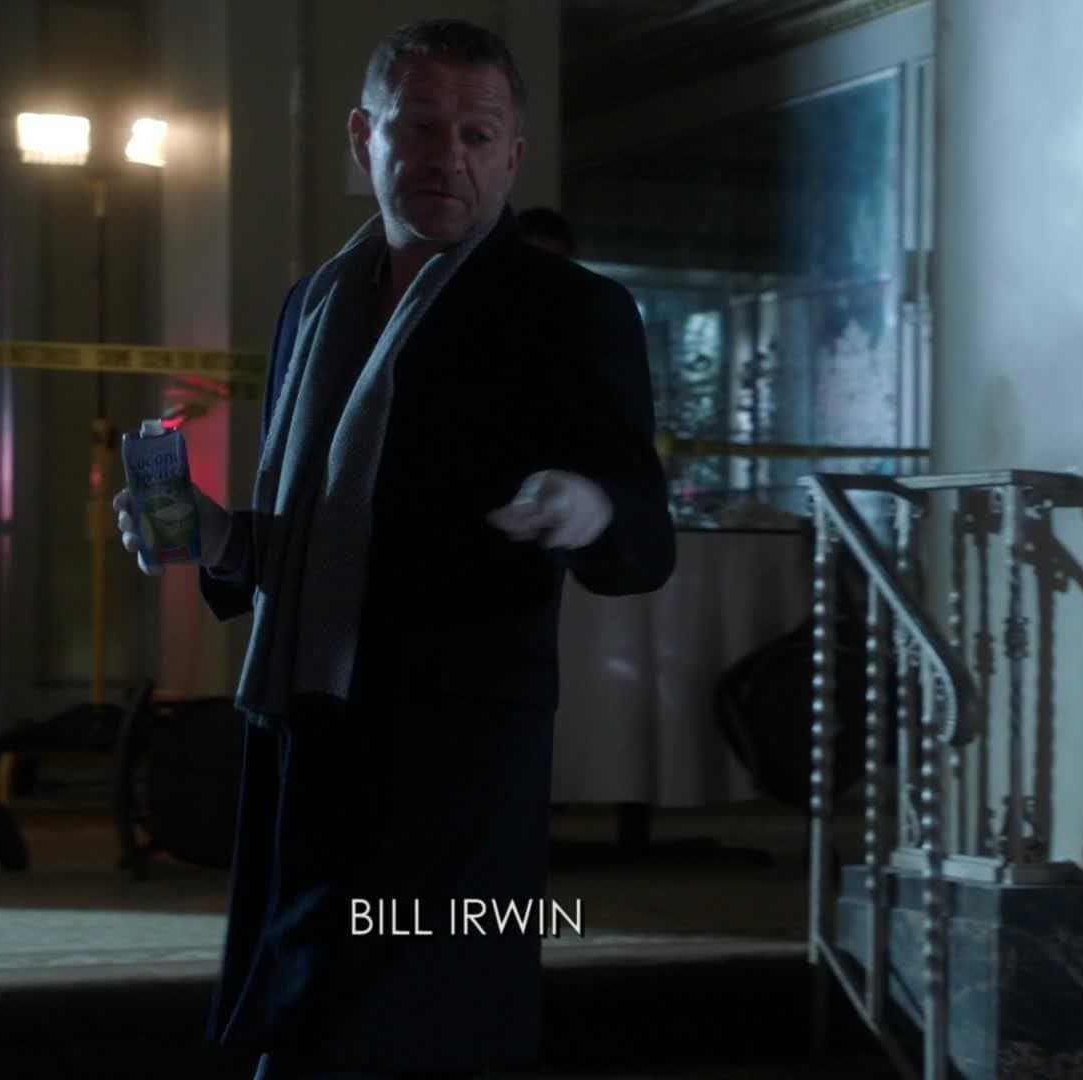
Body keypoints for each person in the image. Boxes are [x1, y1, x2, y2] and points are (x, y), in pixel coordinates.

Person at [112, 18, 674, 1079]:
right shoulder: (315, 303)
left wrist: (586, 507)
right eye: (418, 127)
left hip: (455, 747)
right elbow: (310, 535)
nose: (445, 156)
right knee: (311, 1000)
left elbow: (645, 533)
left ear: (511, 156)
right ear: (362, 137)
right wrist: (216, 535)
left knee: (420, 1012)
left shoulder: (569, 310)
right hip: (309, 725)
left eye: (477, 134)